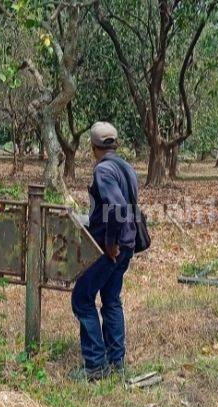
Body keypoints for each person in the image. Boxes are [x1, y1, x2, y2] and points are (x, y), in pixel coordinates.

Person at [70, 122, 138, 381]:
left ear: (92, 146)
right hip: (128, 245)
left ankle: (96, 365)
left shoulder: (103, 170)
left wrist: (109, 242)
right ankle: (116, 362)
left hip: (110, 248)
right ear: (116, 144)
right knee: (111, 299)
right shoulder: (127, 168)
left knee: (82, 298)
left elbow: (117, 207)